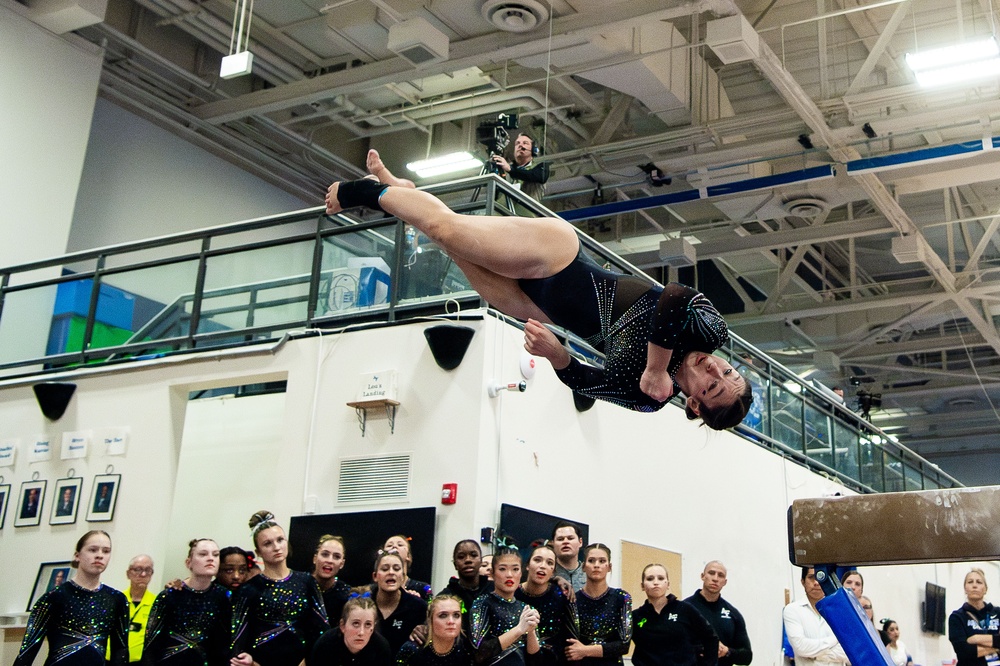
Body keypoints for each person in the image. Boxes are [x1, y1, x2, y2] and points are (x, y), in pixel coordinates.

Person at [327, 152, 752, 429]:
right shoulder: (709, 334)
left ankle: (401, 193)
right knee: (446, 228)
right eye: (728, 372)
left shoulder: (649, 400)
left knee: (445, 242)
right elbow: (675, 296)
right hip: (556, 258)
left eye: (712, 387)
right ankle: (365, 191)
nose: (716, 370)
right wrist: (657, 368)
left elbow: (587, 383)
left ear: (694, 405)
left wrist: (557, 355)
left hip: (532, 304)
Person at [15, 530, 129, 666]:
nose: (99, 555)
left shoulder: (116, 599)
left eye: (106, 551)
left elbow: (120, 650)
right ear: (77, 555)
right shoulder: (54, 598)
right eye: (92, 550)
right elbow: (28, 650)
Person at [231, 511, 330, 666]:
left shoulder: (306, 581)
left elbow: (321, 627)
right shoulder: (248, 590)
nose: (276, 547)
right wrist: (249, 661)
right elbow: (238, 637)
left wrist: (308, 660)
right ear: (258, 552)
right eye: (267, 543)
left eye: (280, 540)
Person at [142, 539, 231, 666]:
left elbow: (224, 643)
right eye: (203, 554)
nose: (211, 558)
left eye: (215, 555)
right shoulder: (170, 595)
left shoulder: (223, 596)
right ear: (188, 562)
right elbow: (151, 644)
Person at [632, 564, 717, 666]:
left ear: (668, 584)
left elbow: (711, 638)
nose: (655, 582)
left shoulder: (685, 609)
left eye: (661, 578)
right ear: (642, 586)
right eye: (650, 579)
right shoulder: (636, 617)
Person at [470, 546, 541, 666]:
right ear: (492, 573)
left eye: (515, 569)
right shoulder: (482, 603)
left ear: (521, 573)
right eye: (502, 569)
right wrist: (519, 630)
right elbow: (480, 653)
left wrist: (531, 631)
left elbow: (535, 661)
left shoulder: (525, 608)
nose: (509, 575)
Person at [514, 543, 578, 666]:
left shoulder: (563, 595)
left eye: (549, 563)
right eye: (537, 560)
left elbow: (572, 641)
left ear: (553, 572)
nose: (543, 566)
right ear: (527, 565)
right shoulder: (513, 593)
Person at [567, 544, 631, 666]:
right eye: (591, 561)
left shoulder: (622, 597)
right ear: (583, 567)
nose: (596, 565)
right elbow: (572, 646)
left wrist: (585, 650)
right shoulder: (573, 600)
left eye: (602, 561)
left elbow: (624, 644)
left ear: (609, 567)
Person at [684, 561, 751, 666]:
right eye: (711, 573)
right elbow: (669, 647)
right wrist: (702, 649)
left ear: (725, 582)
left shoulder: (733, 614)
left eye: (720, 575)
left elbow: (747, 657)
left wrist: (727, 651)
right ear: (702, 576)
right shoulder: (684, 609)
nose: (715, 578)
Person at [782, 567, 848, 666]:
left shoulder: (840, 610)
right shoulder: (792, 610)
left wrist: (816, 655)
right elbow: (801, 647)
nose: (816, 582)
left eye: (821, 577)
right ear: (803, 582)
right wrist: (836, 639)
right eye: (811, 577)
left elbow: (848, 652)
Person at [308, 595, 391, 666]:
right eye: (356, 624)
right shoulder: (325, 645)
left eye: (368, 624)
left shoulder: (381, 648)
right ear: (342, 625)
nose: (361, 632)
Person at [372, 549, 427, 654]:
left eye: (396, 569)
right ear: (375, 576)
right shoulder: (364, 605)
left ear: (403, 576)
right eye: (385, 569)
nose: (391, 572)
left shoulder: (418, 607)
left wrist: (426, 630)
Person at [397, 595, 474, 666]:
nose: (451, 621)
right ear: (430, 620)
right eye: (443, 616)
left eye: (456, 615)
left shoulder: (467, 649)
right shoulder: (412, 650)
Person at [439, 540, 493, 635]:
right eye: (461, 557)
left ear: (481, 561)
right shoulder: (445, 596)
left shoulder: (494, 589)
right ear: (455, 564)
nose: (468, 560)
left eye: (473, 555)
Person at [948, 568, 1000, 666]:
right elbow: (964, 652)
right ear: (965, 589)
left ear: (985, 589)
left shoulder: (998, 613)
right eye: (970, 582)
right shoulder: (957, 617)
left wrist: (976, 638)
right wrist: (996, 646)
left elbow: (971, 647)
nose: (974, 585)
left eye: (979, 582)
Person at [489, 133, 550, 201]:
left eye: (525, 143)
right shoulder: (504, 168)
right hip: (500, 211)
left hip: (524, 211)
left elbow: (537, 176)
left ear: (533, 150)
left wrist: (510, 170)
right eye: (517, 143)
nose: (520, 145)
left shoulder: (541, 167)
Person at [122, 555, 157, 663]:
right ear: (128, 574)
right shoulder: (118, 599)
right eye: (138, 569)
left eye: (148, 570)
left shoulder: (157, 603)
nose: (143, 574)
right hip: (111, 660)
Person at [313, 535, 352, 625]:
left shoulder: (347, 595)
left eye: (336, 557)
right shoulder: (300, 585)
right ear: (315, 558)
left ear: (342, 564)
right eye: (325, 554)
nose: (330, 560)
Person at [382, 534, 433, 600]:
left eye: (400, 545)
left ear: (408, 556)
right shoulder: (371, 591)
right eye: (389, 545)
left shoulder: (424, 588)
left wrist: (418, 602)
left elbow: (431, 608)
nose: (394, 546)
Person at [552, 523, 586, 591]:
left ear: (580, 542)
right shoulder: (547, 572)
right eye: (560, 539)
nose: (565, 542)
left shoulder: (589, 572)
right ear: (553, 543)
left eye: (570, 538)